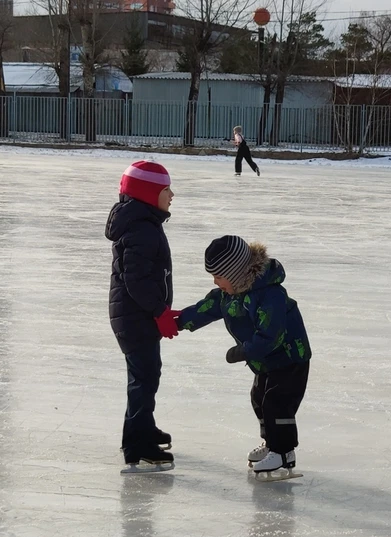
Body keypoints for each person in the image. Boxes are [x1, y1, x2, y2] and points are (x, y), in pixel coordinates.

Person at [176, 235, 310, 478]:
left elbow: (272, 335)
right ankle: (271, 444)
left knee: (277, 403)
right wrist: (179, 321)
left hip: (290, 357)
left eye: (218, 276)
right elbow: (206, 308)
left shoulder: (269, 295)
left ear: (236, 272)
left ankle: (283, 452)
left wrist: (243, 351)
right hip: (267, 361)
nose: (216, 282)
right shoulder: (230, 294)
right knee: (259, 398)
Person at [106, 161, 180, 473]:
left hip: (135, 316)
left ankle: (144, 429)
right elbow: (135, 280)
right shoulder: (142, 229)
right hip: (136, 317)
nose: (172, 194)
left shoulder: (143, 223)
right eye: (166, 190)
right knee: (144, 378)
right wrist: (158, 311)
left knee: (148, 375)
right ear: (150, 194)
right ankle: (137, 444)